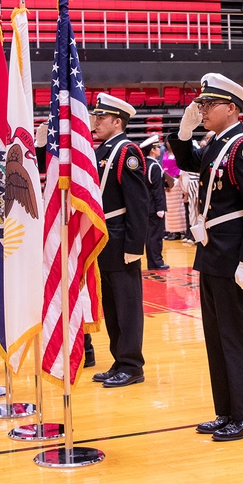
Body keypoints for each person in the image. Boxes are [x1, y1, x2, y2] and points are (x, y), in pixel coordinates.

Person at [168, 73, 243, 442]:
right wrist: (183, 134)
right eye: (201, 104)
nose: (202, 109)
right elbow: (189, 164)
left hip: (233, 255)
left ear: (231, 108)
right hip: (212, 252)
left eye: (209, 105)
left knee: (239, 336)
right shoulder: (217, 143)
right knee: (217, 336)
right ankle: (227, 410)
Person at [90, 93, 150, 388]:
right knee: (112, 305)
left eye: (102, 118)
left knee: (127, 305)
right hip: (103, 237)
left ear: (117, 121)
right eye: (96, 117)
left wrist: (133, 247)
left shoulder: (127, 152)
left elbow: (138, 204)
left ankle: (132, 364)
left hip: (120, 236)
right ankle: (119, 359)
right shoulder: (102, 151)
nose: (96, 122)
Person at [141, 134, 168, 270]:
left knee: (149, 236)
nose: (159, 149)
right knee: (155, 236)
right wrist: (160, 208)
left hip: (146, 206)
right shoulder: (154, 166)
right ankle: (156, 262)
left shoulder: (143, 165)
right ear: (152, 150)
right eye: (157, 147)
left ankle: (153, 261)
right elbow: (157, 189)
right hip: (154, 207)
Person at [162, 140, 185, 241]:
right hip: (167, 182)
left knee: (177, 209)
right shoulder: (165, 154)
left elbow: (179, 168)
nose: (168, 144)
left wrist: (174, 179)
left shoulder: (177, 153)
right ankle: (171, 230)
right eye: (167, 142)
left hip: (176, 182)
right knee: (169, 209)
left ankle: (178, 231)